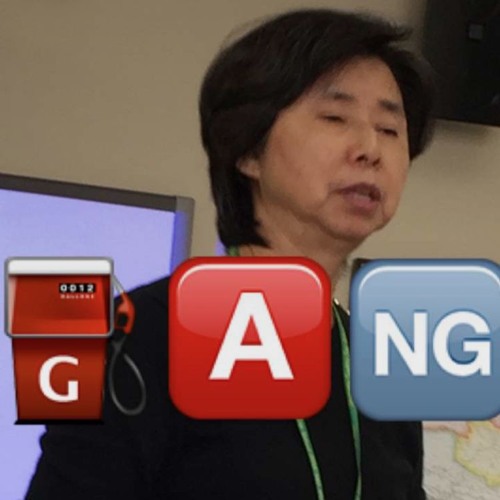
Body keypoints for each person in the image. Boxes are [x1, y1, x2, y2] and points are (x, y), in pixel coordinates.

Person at [26, 8, 434, 500]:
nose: (370, 149)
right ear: (247, 150)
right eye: (335, 117)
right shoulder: (137, 338)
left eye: (390, 129)